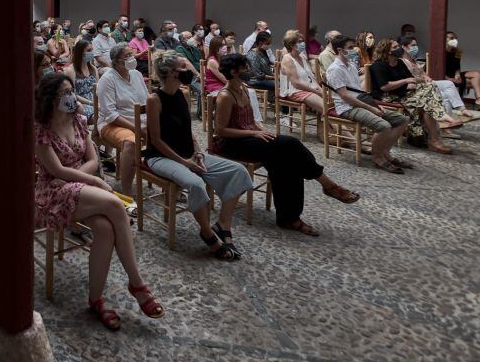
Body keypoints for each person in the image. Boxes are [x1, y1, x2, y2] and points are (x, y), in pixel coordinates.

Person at [35, 74, 165, 329]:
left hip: (79, 184)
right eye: (65, 93)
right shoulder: (41, 129)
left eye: (71, 91)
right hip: (53, 191)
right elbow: (57, 172)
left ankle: (96, 299)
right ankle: (137, 282)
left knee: (105, 229)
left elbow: (94, 160)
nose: (71, 97)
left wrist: (87, 179)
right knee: (115, 205)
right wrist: (98, 183)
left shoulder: (79, 121)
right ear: (51, 99)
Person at [213, 54, 360, 236]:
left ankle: (290, 218)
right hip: (234, 143)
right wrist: (255, 132)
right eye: (245, 68)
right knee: (290, 143)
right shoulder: (225, 96)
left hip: (251, 137)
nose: (249, 71)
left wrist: (260, 129)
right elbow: (221, 131)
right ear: (234, 72)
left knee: (286, 163)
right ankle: (327, 185)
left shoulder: (243, 89)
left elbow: (251, 119)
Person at [145, 51, 251, 258]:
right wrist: (184, 162)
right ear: (169, 72)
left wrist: (198, 153)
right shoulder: (154, 99)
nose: (188, 71)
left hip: (188, 154)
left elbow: (188, 130)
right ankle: (207, 233)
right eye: (183, 67)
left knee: (239, 171)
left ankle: (223, 224)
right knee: (195, 183)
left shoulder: (183, 94)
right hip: (160, 157)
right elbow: (156, 140)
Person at [326, 36, 412, 174]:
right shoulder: (335, 69)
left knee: (402, 120)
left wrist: (375, 105)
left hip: (361, 101)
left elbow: (360, 92)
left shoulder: (351, 65)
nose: (354, 50)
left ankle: (385, 152)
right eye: (350, 48)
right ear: (339, 50)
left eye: (353, 47)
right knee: (384, 126)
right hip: (347, 107)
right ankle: (377, 158)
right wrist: (371, 108)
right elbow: (345, 96)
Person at [369, 38, 452, 154]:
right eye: (395, 47)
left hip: (402, 93)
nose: (399, 49)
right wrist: (405, 82)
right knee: (426, 102)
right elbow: (384, 87)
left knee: (430, 87)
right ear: (387, 51)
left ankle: (433, 136)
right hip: (387, 96)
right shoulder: (378, 66)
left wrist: (415, 81)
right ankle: (435, 135)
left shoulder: (400, 62)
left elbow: (410, 80)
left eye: (398, 46)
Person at [96, 43, 148, 193]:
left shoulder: (136, 74)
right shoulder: (107, 79)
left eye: (132, 54)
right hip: (112, 123)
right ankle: (126, 191)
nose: (132, 58)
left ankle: (170, 180)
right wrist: (136, 127)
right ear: (117, 61)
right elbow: (110, 114)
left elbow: (146, 100)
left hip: (139, 120)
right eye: (127, 56)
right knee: (131, 143)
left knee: (169, 132)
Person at [397, 36, 478, 125]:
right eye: (413, 45)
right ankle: (447, 120)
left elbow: (422, 73)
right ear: (404, 47)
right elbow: (409, 79)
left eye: (416, 45)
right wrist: (422, 79)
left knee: (448, 86)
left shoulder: (413, 60)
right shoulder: (401, 62)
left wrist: (426, 76)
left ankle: (460, 111)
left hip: (426, 84)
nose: (416, 48)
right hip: (417, 87)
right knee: (444, 94)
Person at [278, 29, 327, 140]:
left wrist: (321, 90)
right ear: (292, 44)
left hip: (308, 89)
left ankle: (330, 134)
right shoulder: (287, 59)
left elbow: (312, 78)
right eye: (300, 41)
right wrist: (316, 91)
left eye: (302, 41)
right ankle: (349, 139)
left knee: (331, 102)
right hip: (295, 91)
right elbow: (296, 83)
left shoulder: (302, 57)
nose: (303, 43)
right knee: (326, 108)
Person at [445, 31, 480, 112]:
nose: (455, 40)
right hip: (443, 76)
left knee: (477, 74)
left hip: (454, 75)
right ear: (444, 40)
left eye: (456, 38)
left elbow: (457, 66)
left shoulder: (458, 51)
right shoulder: (439, 52)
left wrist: (457, 75)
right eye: (452, 38)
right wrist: (449, 79)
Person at [67, 38, 98, 120]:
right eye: (88, 50)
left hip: (95, 101)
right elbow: (72, 95)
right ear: (80, 53)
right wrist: (91, 103)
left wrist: (99, 103)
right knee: (99, 117)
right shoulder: (71, 70)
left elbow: (98, 89)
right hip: (81, 103)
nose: (91, 52)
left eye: (92, 50)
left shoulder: (93, 69)